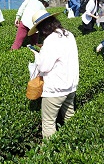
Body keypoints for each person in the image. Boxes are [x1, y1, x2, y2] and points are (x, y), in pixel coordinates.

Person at [28, 10, 79, 139]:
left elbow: (44, 66)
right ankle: (74, 142)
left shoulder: (51, 40)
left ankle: (50, 153)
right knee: (69, 116)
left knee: (49, 123)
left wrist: (37, 56)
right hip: (71, 86)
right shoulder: (68, 34)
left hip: (56, 89)